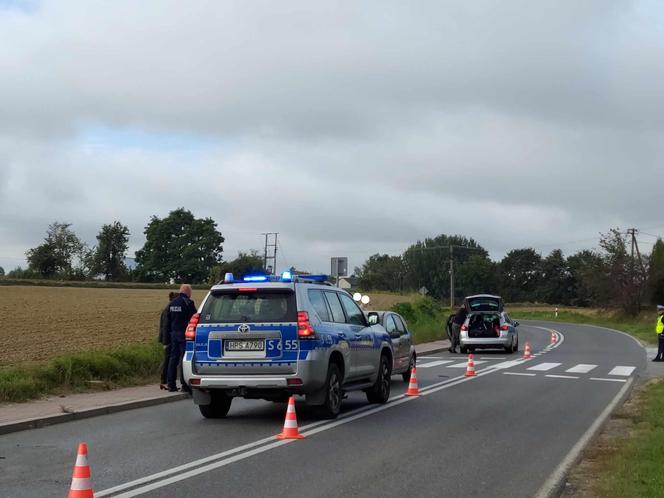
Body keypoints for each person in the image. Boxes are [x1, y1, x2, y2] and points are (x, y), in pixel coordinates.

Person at [166, 284, 197, 392]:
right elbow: (194, 318)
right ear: (188, 292)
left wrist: (167, 337)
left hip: (173, 334)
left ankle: (171, 384)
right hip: (184, 335)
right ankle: (185, 385)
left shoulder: (171, 303)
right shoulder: (188, 302)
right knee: (184, 358)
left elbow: (167, 320)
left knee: (173, 359)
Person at [158, 291, 178, 390]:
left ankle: (164, 380)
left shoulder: (168, 308)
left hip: (168, 338)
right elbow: (165, 326)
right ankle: (164, 380)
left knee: (168, 359)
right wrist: (166, 342)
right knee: (168, 359)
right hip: (168, 338)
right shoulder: (168, 309)